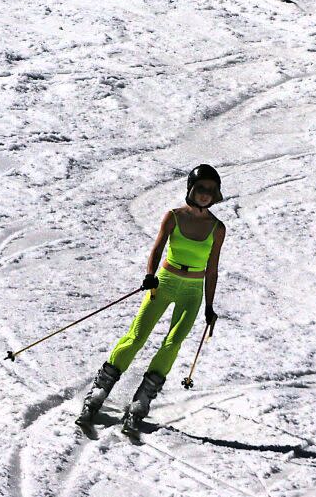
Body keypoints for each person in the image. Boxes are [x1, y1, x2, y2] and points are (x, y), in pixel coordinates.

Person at [76, 164, 227, 436]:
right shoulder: (173, 216)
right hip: (166, 281)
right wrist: (150, 275)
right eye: (201, 188)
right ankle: (100, 390)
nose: (205, 194)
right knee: (137, 336)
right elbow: (157, 247)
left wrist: (209, 305)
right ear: (191, 189)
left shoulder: (217, 228)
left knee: (173, 342)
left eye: (211, 190)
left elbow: (213, 268)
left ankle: (142, 400)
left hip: (193, 290)